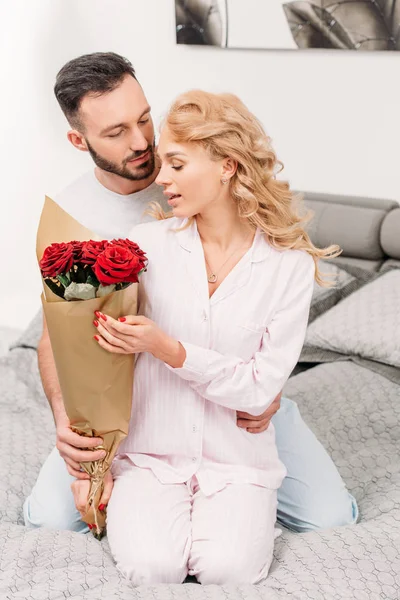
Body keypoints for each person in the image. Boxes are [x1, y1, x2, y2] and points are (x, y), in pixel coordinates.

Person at [23, 52, 358, 535]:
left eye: (143, 120)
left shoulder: (195, 168)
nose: (143, 144)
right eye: (116, 133)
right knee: (49, 521)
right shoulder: (70, 219)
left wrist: (271, 388)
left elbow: (269, 287)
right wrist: (71, 427)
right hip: (133, 403)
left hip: (230, 396)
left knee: (332, 519)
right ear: (79, 140)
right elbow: (57, 336)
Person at [71, 89, 343, 584]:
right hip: (151, 455)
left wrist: (167, 349)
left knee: (230, 569)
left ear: (228, 166)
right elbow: (97, 359)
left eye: (176, 164)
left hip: (237, 460)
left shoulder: (289, 266)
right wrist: (91, 461)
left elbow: (261, 388)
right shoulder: (142, 249)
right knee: (152, 567)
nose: (161, 178)